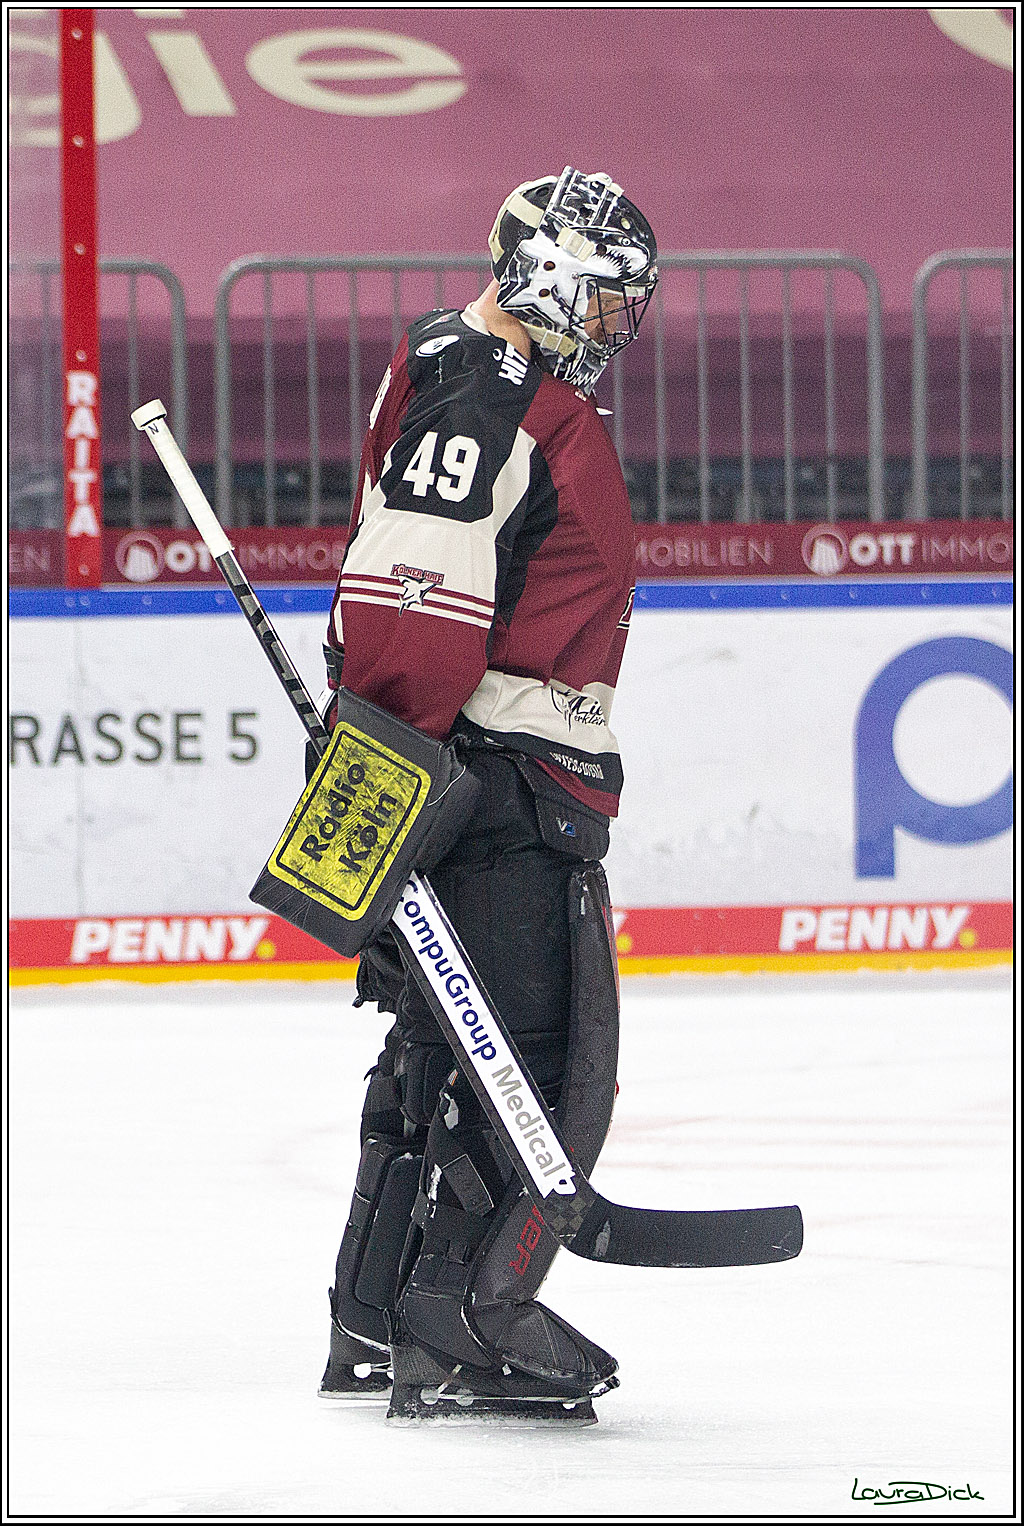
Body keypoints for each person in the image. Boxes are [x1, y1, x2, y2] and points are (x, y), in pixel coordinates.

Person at [317, 166, 658, 1424]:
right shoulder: (486, 388)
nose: (619, 325)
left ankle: (377, 1301)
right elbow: (417, 603)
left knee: (440, 1043)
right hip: (497, 781)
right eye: (608, 299)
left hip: (463, 768)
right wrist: (394, 774)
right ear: (550, 276)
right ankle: (467, 1314)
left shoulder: (465, 361)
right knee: (548, 1060)